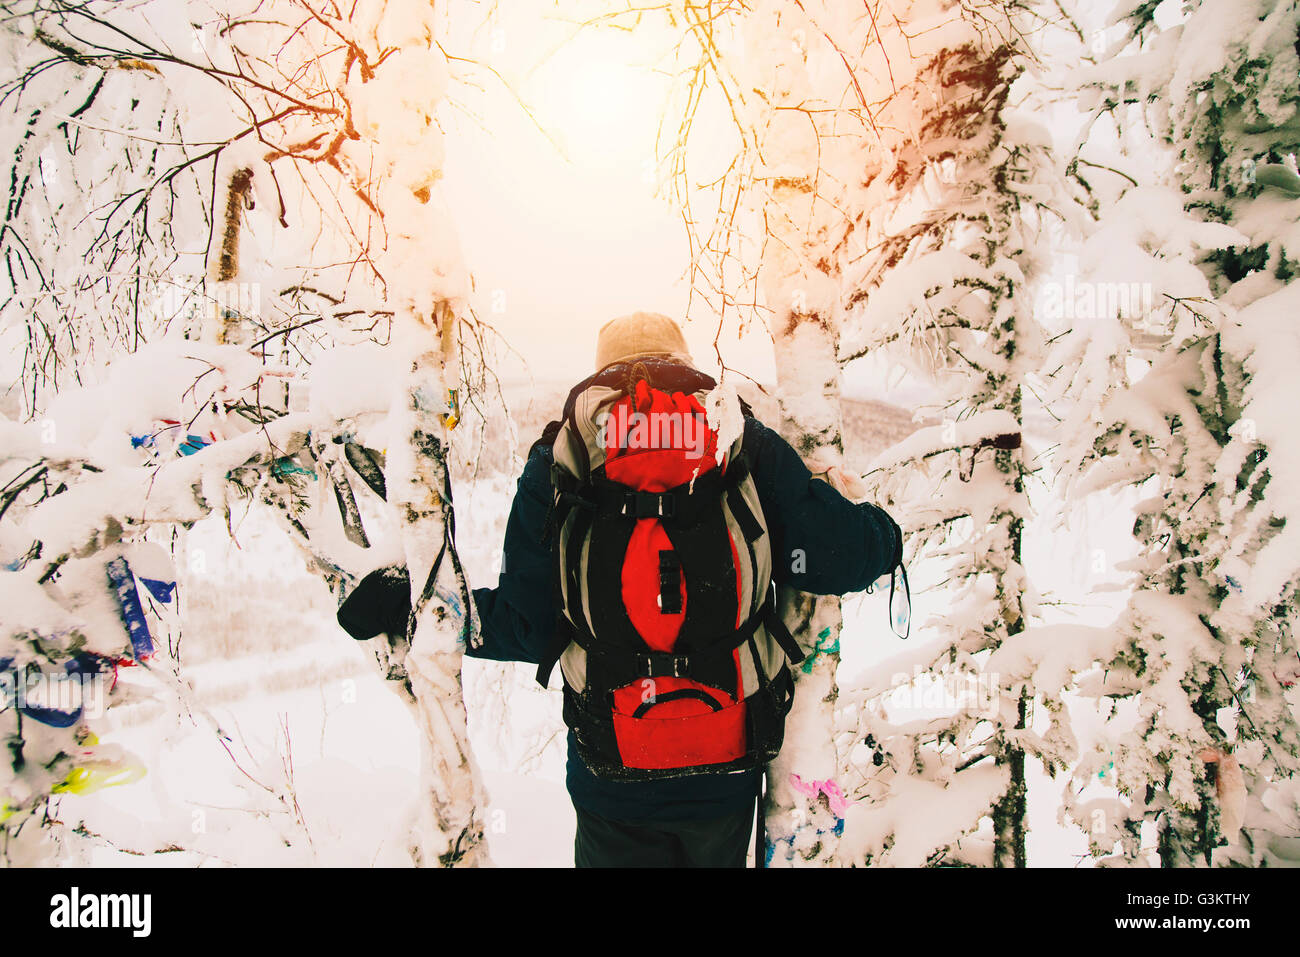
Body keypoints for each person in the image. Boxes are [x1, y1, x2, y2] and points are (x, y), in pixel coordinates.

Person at [465, 311, 903, 867]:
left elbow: (524, 627)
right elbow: (840, 558)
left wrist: (420, 609)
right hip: (727, 753)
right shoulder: (736, 438)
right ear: (684, 363)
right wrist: (884, 536)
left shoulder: (560, 456)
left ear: (602, 371)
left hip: (612, 765)